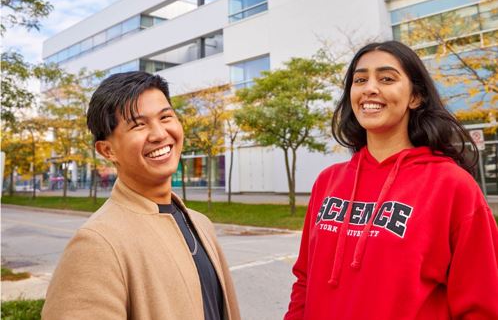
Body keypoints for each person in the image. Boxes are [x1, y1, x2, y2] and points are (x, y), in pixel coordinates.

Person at [284, 41, 498, 319]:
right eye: (360, 79)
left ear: (415, 97)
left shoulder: (451, 185)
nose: (369, 88)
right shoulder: (328, 181)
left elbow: (482, 304)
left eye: (386, 78)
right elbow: (305, 279)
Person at [42, 72, 241, 320]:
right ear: (107, 150)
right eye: (138, 125)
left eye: (166, 117)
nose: (159, 134)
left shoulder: (200, 224)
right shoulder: (97, 244)